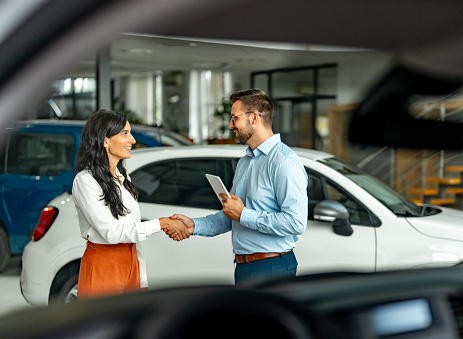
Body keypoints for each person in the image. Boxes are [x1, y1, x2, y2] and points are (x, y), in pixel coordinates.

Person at [168, 89, 308, 284]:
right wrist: (194, 225)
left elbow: (295, 222)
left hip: (272, 268)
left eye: (234, 118)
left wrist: (244, 214)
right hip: (244, 267)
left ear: (254, 117)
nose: (230, 125)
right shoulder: (245, 161)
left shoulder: (283, 162)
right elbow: (231, 217)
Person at [73, 110, 189, 299]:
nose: (132, 140)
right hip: (104, 264)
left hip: (131, 261)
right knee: (106, 326)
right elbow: (110, 233)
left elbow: (131, 233)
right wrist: (161, 223)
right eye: (124, 134)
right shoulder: (85, 180)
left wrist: (141, 278)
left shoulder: (122, 176)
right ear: (105, 140)